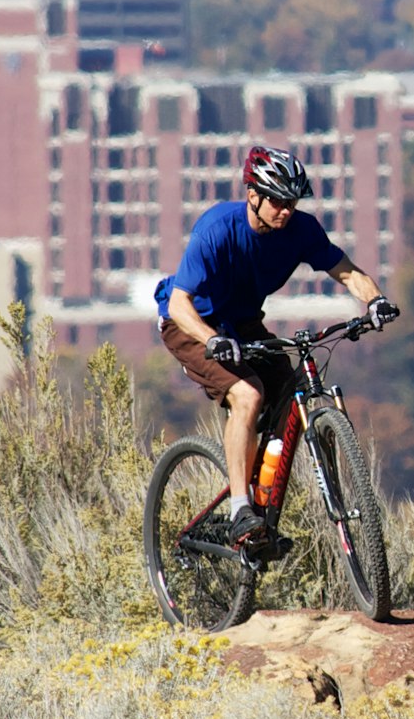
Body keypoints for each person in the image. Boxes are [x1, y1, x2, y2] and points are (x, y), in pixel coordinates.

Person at [155, 145, 396, 555]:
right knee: (247, 394)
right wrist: (211, 339)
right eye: (279, 202)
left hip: (244, 322)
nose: (286, 210)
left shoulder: (301, 230)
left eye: (293, 202)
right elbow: (180, 303)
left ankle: (261, 505)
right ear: (253, 195)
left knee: (292, 395)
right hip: (193, 323)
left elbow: (348, 272)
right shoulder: (216, 229)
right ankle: (239, 509)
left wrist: (374, 301)